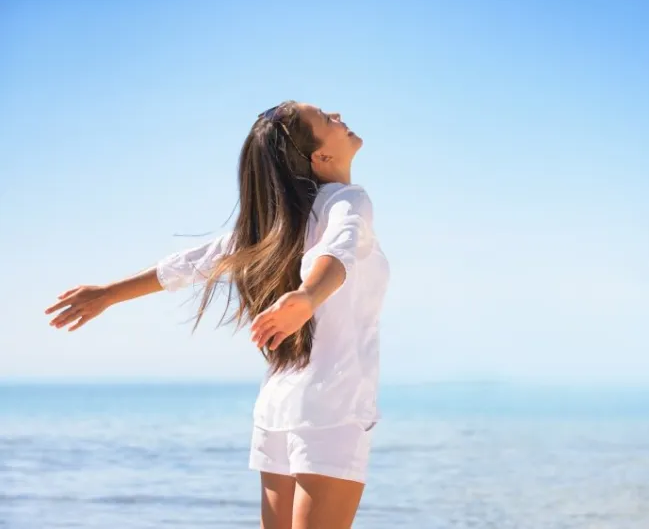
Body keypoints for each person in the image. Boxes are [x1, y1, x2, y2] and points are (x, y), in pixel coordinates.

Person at [44, 101, 391, 529]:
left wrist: (109, 294)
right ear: (320, 156)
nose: (338, 115)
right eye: (326, 119)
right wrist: (306, 296)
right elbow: (338, 250)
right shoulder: (348, 200)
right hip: (333, 405)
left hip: (278, 407)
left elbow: (192, 263)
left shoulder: (276, 225)